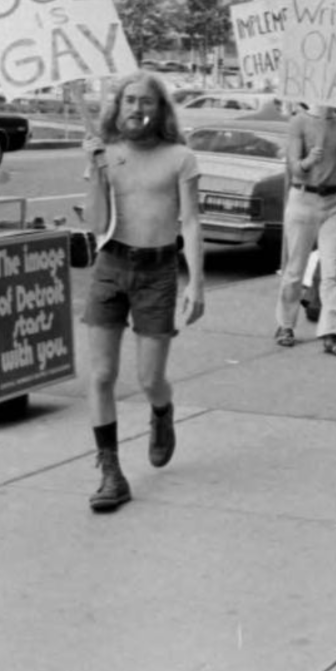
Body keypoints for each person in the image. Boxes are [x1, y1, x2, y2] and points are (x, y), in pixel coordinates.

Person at [78, 72, 206, 513]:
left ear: (160, 109)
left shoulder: (179, 157)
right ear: (118, 106)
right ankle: (111, 471)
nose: (137, 109)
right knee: (100, 375)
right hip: (111, 265)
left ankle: (162, 412)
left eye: (146, 102)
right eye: (129, 100)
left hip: (157, 273)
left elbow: (189, 222)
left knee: (150, 378)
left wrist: (197, 284)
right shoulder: (106, 153)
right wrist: (95, 171)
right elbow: (96, 223)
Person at [273, 105, 336, 358]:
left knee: (331, 272)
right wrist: (308, 162)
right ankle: (285, 325)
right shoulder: (299, 122)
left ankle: (330, 333)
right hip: (304, 199)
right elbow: (293, 167)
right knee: (295, 269)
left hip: (334, 202)